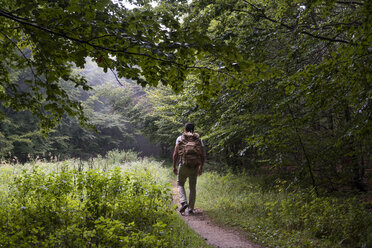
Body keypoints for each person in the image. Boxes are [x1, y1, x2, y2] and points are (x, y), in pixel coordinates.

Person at [173, 122, 205, 214]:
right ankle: (191, 209)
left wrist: (174, 166)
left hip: (183, 165)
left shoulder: (180, 138)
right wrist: (201, 167)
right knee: (192, 187)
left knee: (180, 184)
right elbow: (202, 155)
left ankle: (183, 203)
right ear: (193, 130)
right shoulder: (198, 140)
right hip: (195, 166)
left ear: (185, 129)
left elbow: (175, 154)